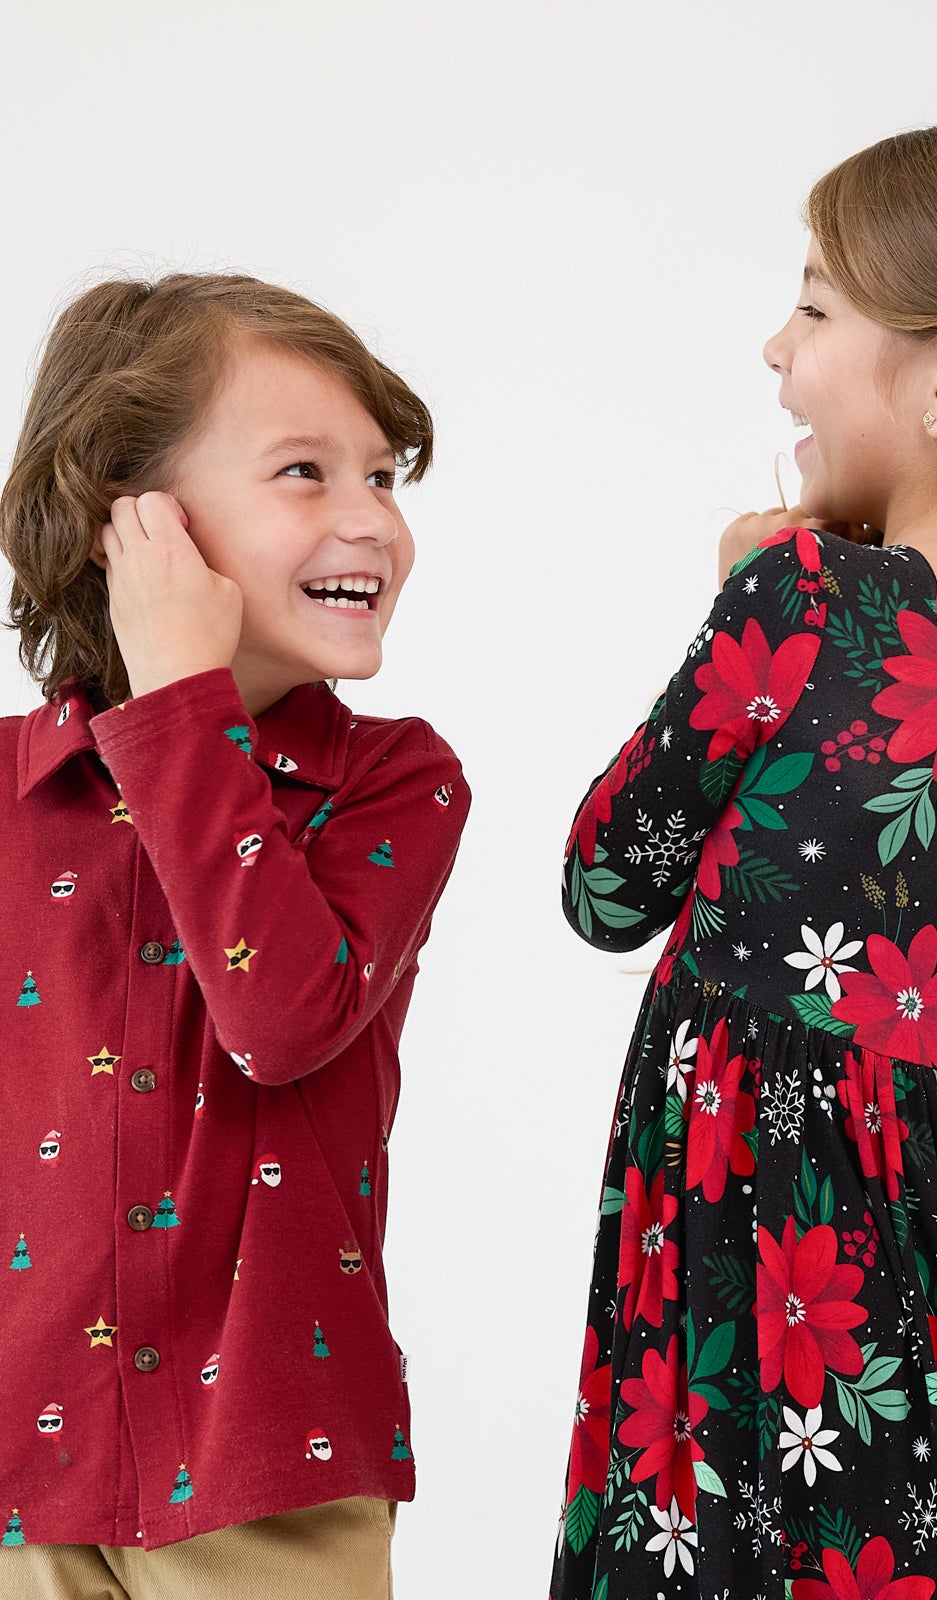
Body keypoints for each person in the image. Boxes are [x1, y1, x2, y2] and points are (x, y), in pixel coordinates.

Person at [549, 122, 937, 1598]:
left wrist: (738, 609)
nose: (779, 348)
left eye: (819, 306)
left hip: (754, 1222)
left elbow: (602, 886)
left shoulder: (807, 599)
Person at [0, 274, 471, 1598]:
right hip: (22, 1469)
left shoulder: (397, 784)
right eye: (304, 472)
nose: (371, 520)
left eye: (382, 477)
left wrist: (184, 699)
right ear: (129, 522)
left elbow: (278, 1020)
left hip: (274, 1462)